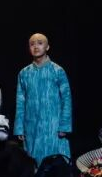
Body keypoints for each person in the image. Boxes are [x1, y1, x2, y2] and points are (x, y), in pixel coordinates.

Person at [14, 32, 72, 166]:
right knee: (32, 162)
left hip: (53, 126)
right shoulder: (24, 73)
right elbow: (20, 101)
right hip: (31, 126)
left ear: (47, 47)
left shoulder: (57, 71)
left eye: (40, 43)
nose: (36, 47)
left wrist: (64, 125)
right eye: (32, 44)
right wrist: (19, 127)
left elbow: (66, 99)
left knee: (55, 162)